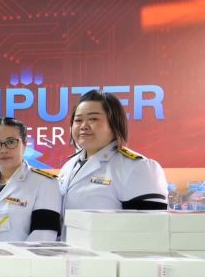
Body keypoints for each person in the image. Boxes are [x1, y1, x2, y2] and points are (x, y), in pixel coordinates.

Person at [58, 90, 167, 219]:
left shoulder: (138, 167)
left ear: (114, 123)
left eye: (93, 119)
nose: (83, 126)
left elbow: (151, 226)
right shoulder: (68, 166)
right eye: (78, 120)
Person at [0, 117, 62, 242]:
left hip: (23, 254)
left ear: (24, 144)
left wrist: (15, 255)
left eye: (11, 142)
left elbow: (44, 235)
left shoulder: (45, 183)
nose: (3, 150)